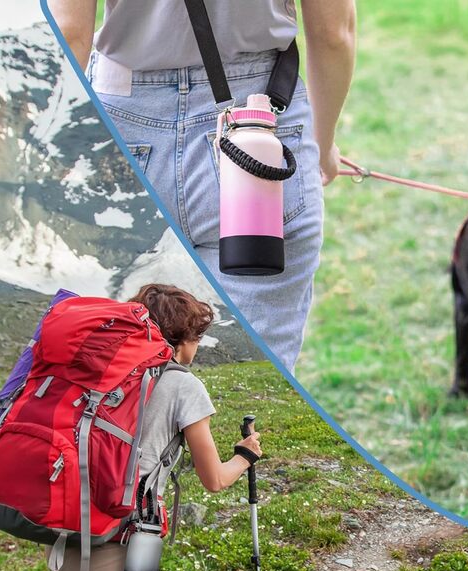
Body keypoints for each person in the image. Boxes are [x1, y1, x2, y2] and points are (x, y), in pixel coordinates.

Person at [47, 0, 357, 372]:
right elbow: (333, 34)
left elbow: (69, 33)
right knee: (252, 373)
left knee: (106, 367)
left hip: (122, 122)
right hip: (259, 123)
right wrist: (322, 146)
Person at [41, 284, 262, 571]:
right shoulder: (183, 385)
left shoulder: (104, 372)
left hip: (67, 532)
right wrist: (245, 456)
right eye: (196, 337)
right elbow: (214, 478)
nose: (197, 347)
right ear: (182, 339)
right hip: (113, 548)